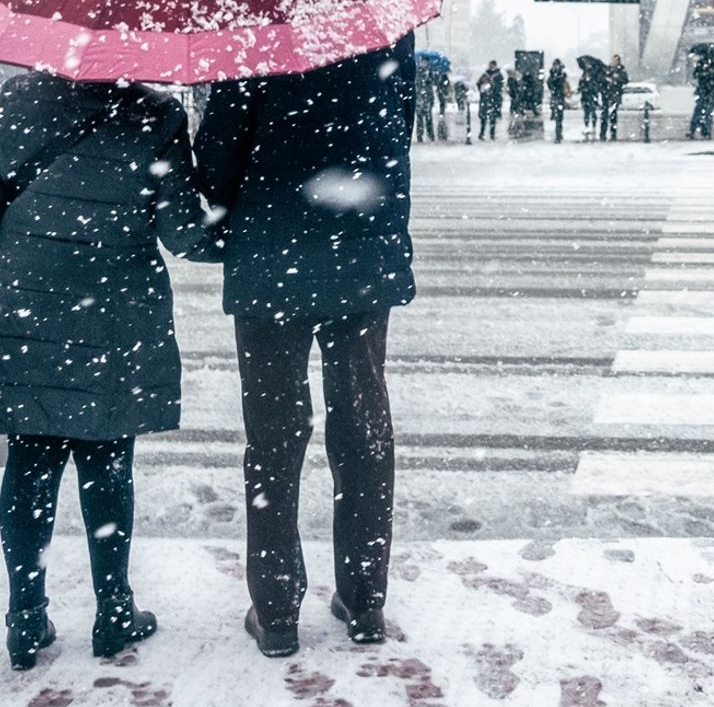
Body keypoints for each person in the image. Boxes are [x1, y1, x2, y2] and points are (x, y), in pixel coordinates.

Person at [195, 36, 416, 657]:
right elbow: (397, 131)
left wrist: (226, 218)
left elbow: (218, 153)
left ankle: (276, 609)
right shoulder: (382, 22)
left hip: (271, 259)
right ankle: (366, 599)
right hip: (361, 255)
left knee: (273, 433)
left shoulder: (252, 25)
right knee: (363, 423)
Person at [0, 74, 219, 668]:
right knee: (106, 456)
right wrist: (237, 228)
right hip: (113, 307)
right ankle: (114, 611)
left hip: (24, 296)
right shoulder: (156, 116)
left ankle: (24, 616)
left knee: (29, 455)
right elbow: (184, 234)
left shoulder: (14, 101)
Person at [688, 49, 714, 140]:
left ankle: (696, 130)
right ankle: (705, 131)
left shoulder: (702, 63)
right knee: (708, 111)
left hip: (704, 90)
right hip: (711, 90)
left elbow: (696, 75)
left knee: (700, 110)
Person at [600, 55, 629, 142]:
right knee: (604, 115)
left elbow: (625, 80)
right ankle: (603, 134)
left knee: (613, 115)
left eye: (615, 61)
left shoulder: (621, 70)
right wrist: (606, 79)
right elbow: (601, 79)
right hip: (606, 94)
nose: (614, 62)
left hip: (615, 95)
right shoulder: (606, 69)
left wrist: (617, 78)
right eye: (613, 60)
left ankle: (613, 134)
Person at [476, 60, 503, 141]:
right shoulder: (485, 74)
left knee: (492, 118)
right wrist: (483, 88)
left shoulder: (498, 75)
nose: (490, 66)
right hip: (486, 99)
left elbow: (500, 86)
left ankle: (491, 134)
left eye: (491, 65)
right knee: (483, 118)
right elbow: (478, 83)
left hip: (493, 99)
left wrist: (493, 87)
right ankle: (482, 133)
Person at [547, 59, 570, 144]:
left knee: (559, 118)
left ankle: (558, 135)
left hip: (559, 98)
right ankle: (558, 135)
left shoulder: (562, 75)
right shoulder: (553, 75)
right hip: (556, 98)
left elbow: (562, 86)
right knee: (558, 118)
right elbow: (550, 84)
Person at [578, 60, 602, 139]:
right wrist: (583, 87)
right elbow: (580, 85)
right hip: (585, 97)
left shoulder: (594, 75)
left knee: (593, 112)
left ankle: (594, 127)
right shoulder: (583, 75)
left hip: (592, 96)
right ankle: (586, 126)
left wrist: (589, 87)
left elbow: (596, 86)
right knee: (586, 113)